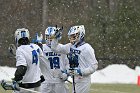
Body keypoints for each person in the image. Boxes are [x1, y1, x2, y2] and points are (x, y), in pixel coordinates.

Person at [51, 25, 98, 93]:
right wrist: (55, 39)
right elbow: (55, 48)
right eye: (70, 36)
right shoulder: (70, 46)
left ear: (81, 34)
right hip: (74, 79)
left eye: (73, 36)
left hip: (83, 80)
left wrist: (80, 72)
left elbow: (94, 66)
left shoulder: (87, 48)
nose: (71, 38)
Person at [13, 28, 44, 93]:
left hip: (27, 85)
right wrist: (39, 43)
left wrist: (16, 79)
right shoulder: (35, 46)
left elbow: (22, 67)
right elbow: (40, 52)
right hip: (37, 83)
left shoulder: (20, 50)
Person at [39, 26, 69, 93]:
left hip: (59, 81)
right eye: (48, 37)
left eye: (52, 37)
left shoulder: (61, 48)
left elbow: (67, 63)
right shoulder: (41, 48)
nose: (50, 39)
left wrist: (66, 73)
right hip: (45, 82)